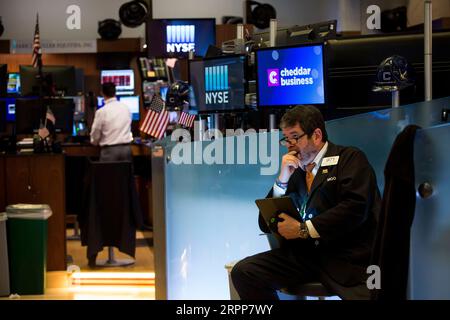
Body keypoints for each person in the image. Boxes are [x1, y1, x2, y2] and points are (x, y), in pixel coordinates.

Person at [231, 105, 381, 300]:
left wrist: (304, 229)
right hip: (306, 256)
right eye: (286, 139)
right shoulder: (296, 172)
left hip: (347, 257)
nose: (289, 144)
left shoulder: (350, 159)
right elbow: (266, 224)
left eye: (295, 137)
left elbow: (355, 208)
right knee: (244, 272)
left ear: (316, 136)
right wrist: (281, 180)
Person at [90, 82, 133, 162]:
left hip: (109, 151)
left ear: (102, 93)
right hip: (126, 150)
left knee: (108, 174)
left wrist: (94, 142)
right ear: (115, 92)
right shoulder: (126, 108)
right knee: (125, 174)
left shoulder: (102, 112)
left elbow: (96, 132)